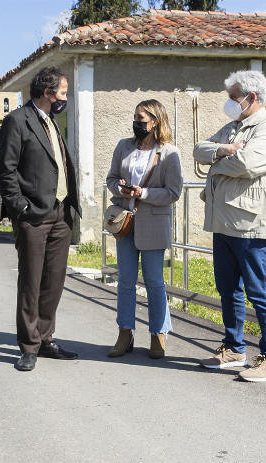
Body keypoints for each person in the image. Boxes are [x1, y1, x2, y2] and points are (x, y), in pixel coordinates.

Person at [193, 70, 266, 382]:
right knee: (227, 288)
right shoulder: (234, 128)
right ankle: (234, 349)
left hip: (250, 224)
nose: (229, 103)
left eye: (234, 97)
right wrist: (223, 150)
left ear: (252, 98)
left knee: (258, 290)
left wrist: (219, 162)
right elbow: (198, 149)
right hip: (224, 221)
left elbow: (247, 164)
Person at [0, 66, 81, 372]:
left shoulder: (51, 121)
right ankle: (29, 346)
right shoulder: (18, 120)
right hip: (32, 215)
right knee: (31, 282)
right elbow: (6, 170)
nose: (65, 97)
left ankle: (45, 339)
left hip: (60, 213)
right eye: (63, 92)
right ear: (48, 93)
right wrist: (22, 208)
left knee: (54, 282)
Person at [105, 100, 182, 359]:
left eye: (141, 118)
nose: (136, 122)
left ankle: (158, 334)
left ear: (155, 121)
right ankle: (124, 333)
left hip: (154, 222)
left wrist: (143, 192)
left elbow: (174, 192)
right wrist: (121, 189)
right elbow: (111, 179)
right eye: (135, 117)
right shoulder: (123, 146)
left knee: (154, 282)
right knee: (125, 280)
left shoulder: (169, 152)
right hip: (125, 222)